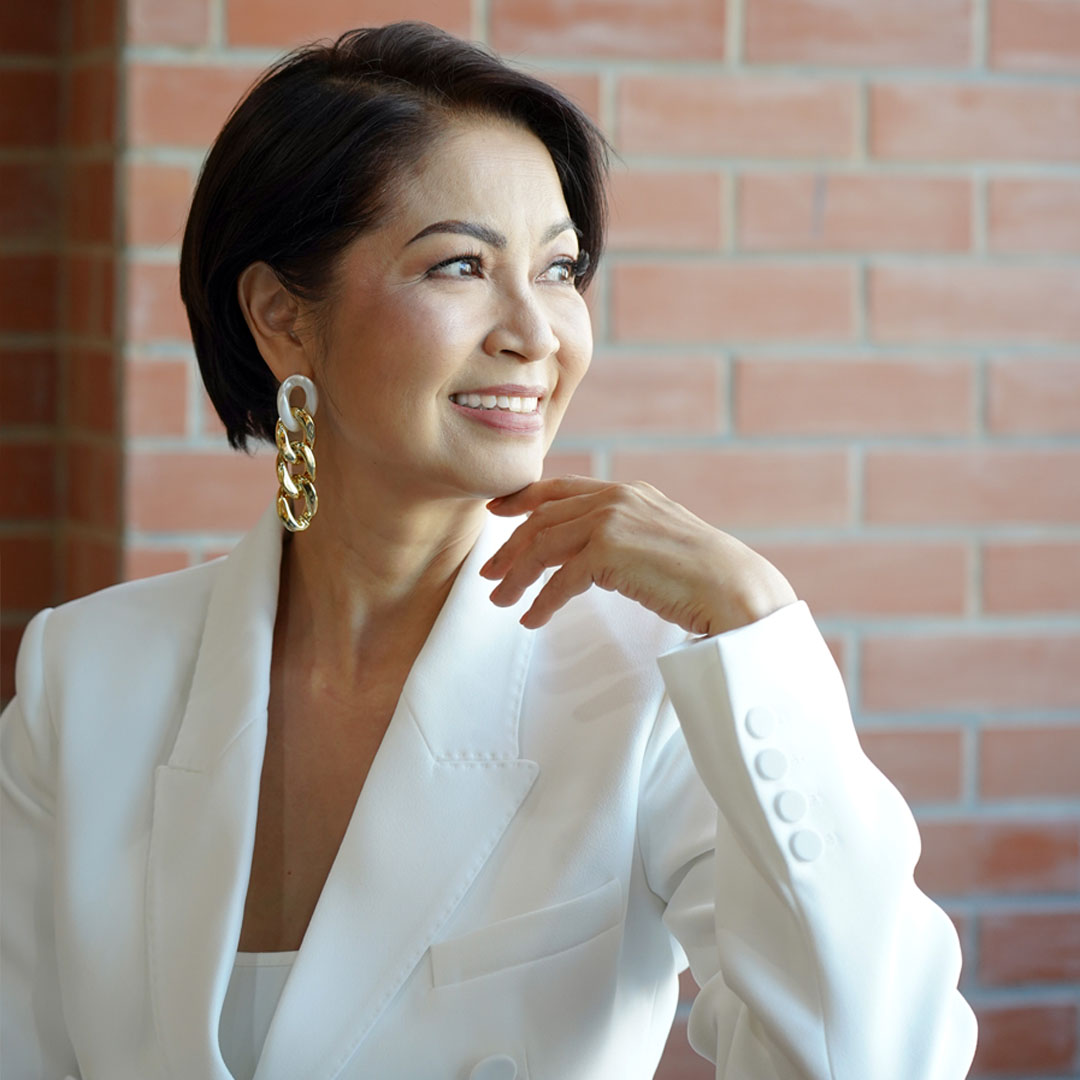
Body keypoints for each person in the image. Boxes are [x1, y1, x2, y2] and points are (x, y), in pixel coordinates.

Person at [0, 21, 977, 1080]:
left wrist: (756, 623)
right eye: (461, 264)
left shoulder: (657, 680)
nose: (538, 331)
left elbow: (878, 1062)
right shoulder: (83, 676)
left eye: (559, 269)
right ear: (282, 316)